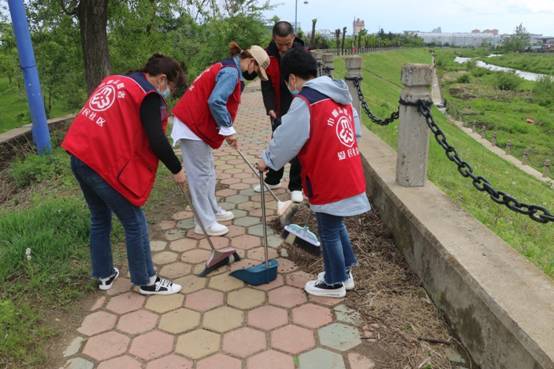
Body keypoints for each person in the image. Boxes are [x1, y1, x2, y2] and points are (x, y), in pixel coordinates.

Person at [62, 54, 187, 295]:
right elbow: (156, 140)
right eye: (170, 87)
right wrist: (177, 169)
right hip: (98, 162)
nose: (167, 93)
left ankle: (104, 274)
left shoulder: (118, 80)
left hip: (79, 154)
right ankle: (146, 280)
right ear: (162, 79)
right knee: (134, 220)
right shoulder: (149, 95)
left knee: (100, 216)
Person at [257, 48, 371, 298]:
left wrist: (268, 160)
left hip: (328, 174)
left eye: (288, 81)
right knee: (334, 221)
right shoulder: (340, 94)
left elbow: (287, 138)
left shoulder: (306, 101)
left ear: (293, 79)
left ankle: (333, 283)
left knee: (327, 227)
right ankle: (345, 271)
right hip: (348, 168)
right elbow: (356, 131)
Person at [171, 42, 269, 236]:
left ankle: (213, 210)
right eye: (256, 70)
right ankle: (204, 223)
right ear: (250, 62)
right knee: (200, 175)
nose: (254, 75)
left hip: (196, 124)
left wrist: (226, 131)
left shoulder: (229, 67)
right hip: (191, 126)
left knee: (208, 172)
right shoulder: (231, 73)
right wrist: (228, 129)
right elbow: (216, 101)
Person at [256, 21, 306, 203]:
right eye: (280, 44)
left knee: (299, 146)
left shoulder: (302, 53)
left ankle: (296, 186)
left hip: (299, 107)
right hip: (278, 107)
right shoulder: (267, 56)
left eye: (287, 43)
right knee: (278, 142)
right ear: (273, 39)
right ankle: (273, 179)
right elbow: (265, 84)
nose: (284, 48)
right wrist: (269, 108)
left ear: (293, 37)